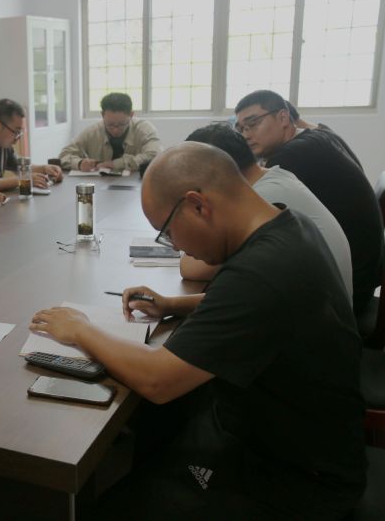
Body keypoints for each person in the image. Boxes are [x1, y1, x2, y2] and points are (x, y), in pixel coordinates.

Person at [31, 143, 365, 519]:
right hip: (283, 436)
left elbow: (158, 380)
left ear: (197, 205)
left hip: (296, 480)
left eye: (168, 232)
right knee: (158, 428)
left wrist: (80, 329)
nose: (175, 246)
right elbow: (257, 306)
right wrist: (173, 304)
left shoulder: (262, 272)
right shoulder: (288, 225)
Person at [234, 89, 383, 317]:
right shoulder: (320, 136)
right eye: (241, 128)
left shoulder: (291, 157)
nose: (246, 134)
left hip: (345, 292)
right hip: (364, 272)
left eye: (253, 123)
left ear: (283, 118)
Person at [181, 123, 353, 303]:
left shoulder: (262, 197)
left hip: (313, 312)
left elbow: (193, 268)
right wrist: (172, 304)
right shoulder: (275, 176)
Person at [58, 92, 162, 174]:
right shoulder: (92, 132)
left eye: (121, 124)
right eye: (110, 124)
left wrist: (115, 164)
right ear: (102, 115)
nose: (115, 130)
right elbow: (64, 155)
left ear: (131, 115)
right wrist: (79, 163)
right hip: (101, 187)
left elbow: (155, 156)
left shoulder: (144, 129)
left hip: (137, 186)